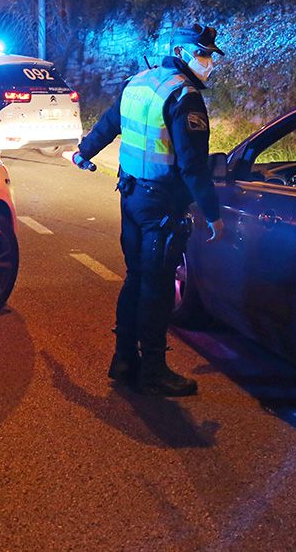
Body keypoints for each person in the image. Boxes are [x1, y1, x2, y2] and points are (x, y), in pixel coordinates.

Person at [71, 23, 225, 397]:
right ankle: (154, 369)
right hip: (162, 205)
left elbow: (110, 124)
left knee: (136, 278)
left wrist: (83, 152)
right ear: (183, 54)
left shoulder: (138, 82)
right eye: (203, 55)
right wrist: (212, 212)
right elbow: (192, 165)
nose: (208, 62)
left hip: (131, 196)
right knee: (156, 287)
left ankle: (124, 360)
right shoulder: (184, 96)